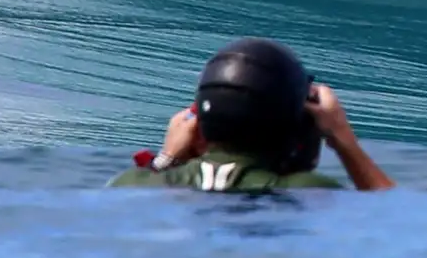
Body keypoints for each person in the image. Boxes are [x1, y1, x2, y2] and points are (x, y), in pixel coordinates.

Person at [118, 37, 396, 192]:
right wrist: (344, 140)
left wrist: (165, 163)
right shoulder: (308, 191)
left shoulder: (132, 184)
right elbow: (395, 216)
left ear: (196, 124)